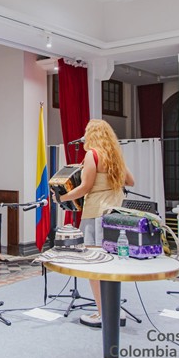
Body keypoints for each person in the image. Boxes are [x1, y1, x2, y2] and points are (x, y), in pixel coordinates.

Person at [57, 119, 135, 328]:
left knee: (95, 265)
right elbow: (130, 181)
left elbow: (85, 187)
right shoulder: (114, 156)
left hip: (95, 215)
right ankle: (114, 310)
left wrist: (61, 198)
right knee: (111, 264)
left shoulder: (92, 155)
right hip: (115, 216)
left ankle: (103, 313)